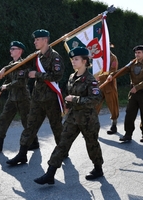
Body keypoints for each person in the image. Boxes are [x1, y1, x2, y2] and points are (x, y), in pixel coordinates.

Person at [33, 47, 104, 185]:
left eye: (76, 59)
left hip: (88, 119)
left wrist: (75, 99)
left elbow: (95, 99)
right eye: (72, 59)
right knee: (62, 144)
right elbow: (68, 95)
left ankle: (98, 168)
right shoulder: (72, 77)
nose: (73, 62)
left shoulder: (91, 80)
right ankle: (50, 173)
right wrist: (67, 103)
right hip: (72, 118)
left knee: (92, 144)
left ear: (84, 61)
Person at [0, 29, 65, 165]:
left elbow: (57, 76)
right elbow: (22, 64)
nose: (34, 42)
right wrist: (6, 68)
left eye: (37, 39)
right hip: (37, 98)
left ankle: (63, 150)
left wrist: (37, 75)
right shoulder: (36, 56)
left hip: (50, 98)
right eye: (35, 40)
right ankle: (22, 154)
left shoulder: (55, 57)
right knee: (30, 126)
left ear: (45, 40)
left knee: (56, 126)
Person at [0, 41, 30, 152]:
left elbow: (20, 82)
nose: (10, 50)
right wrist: (0, 89)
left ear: (20, 51)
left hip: (23, 98)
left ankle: (34, 142)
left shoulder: (23, 64)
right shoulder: (10, 64)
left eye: (13, 49)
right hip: (12, 98)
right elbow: (8, 79)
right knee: (3, 119)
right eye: (11, 49)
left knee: (27, 122)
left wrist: (6, 87)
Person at [107, 45, 143, 142]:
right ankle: (128, 134)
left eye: (139, 53)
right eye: (136, 53)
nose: (137, 54)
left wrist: (137, 87)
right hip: (134, 93)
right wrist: (112, 75)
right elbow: (123, 70)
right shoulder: (132, 63)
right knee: (129, 114)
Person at [96, 50, 119, 134]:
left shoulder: (113, 58)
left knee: (113, 105)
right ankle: (93, 127)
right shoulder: (97, 57)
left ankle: (114, 125)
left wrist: (100, 77)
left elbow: (113, 72)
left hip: (109, 85)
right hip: (99, 86)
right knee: (95, 105)